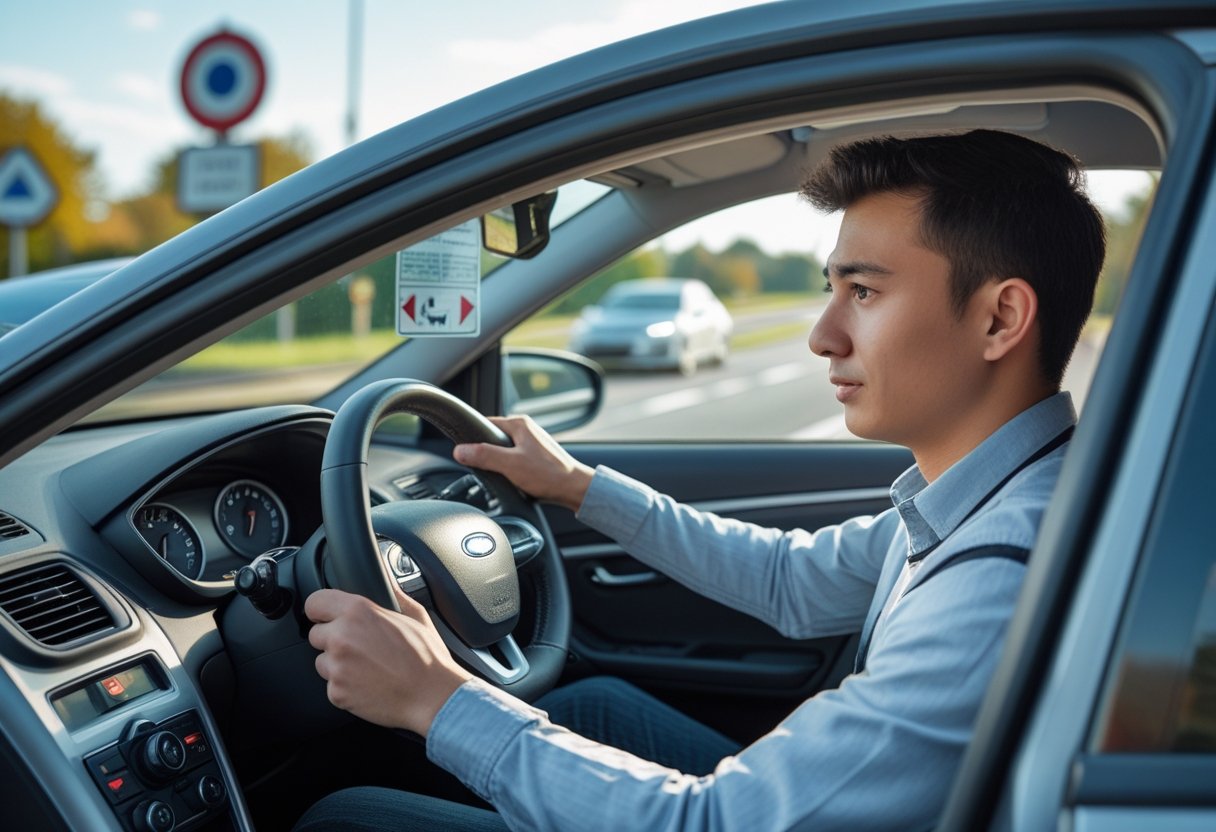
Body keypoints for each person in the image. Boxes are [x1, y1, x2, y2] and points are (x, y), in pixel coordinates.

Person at [297, 129, 1106, 831]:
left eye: (864, 291)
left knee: (346, 820)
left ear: (1000, 318)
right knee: (590, 708)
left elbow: (713, 822)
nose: (824, 336)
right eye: (834, 290)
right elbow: (793, 580)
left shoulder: (999, 577)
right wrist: (577, 485)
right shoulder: (989, 499)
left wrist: (436, 698)